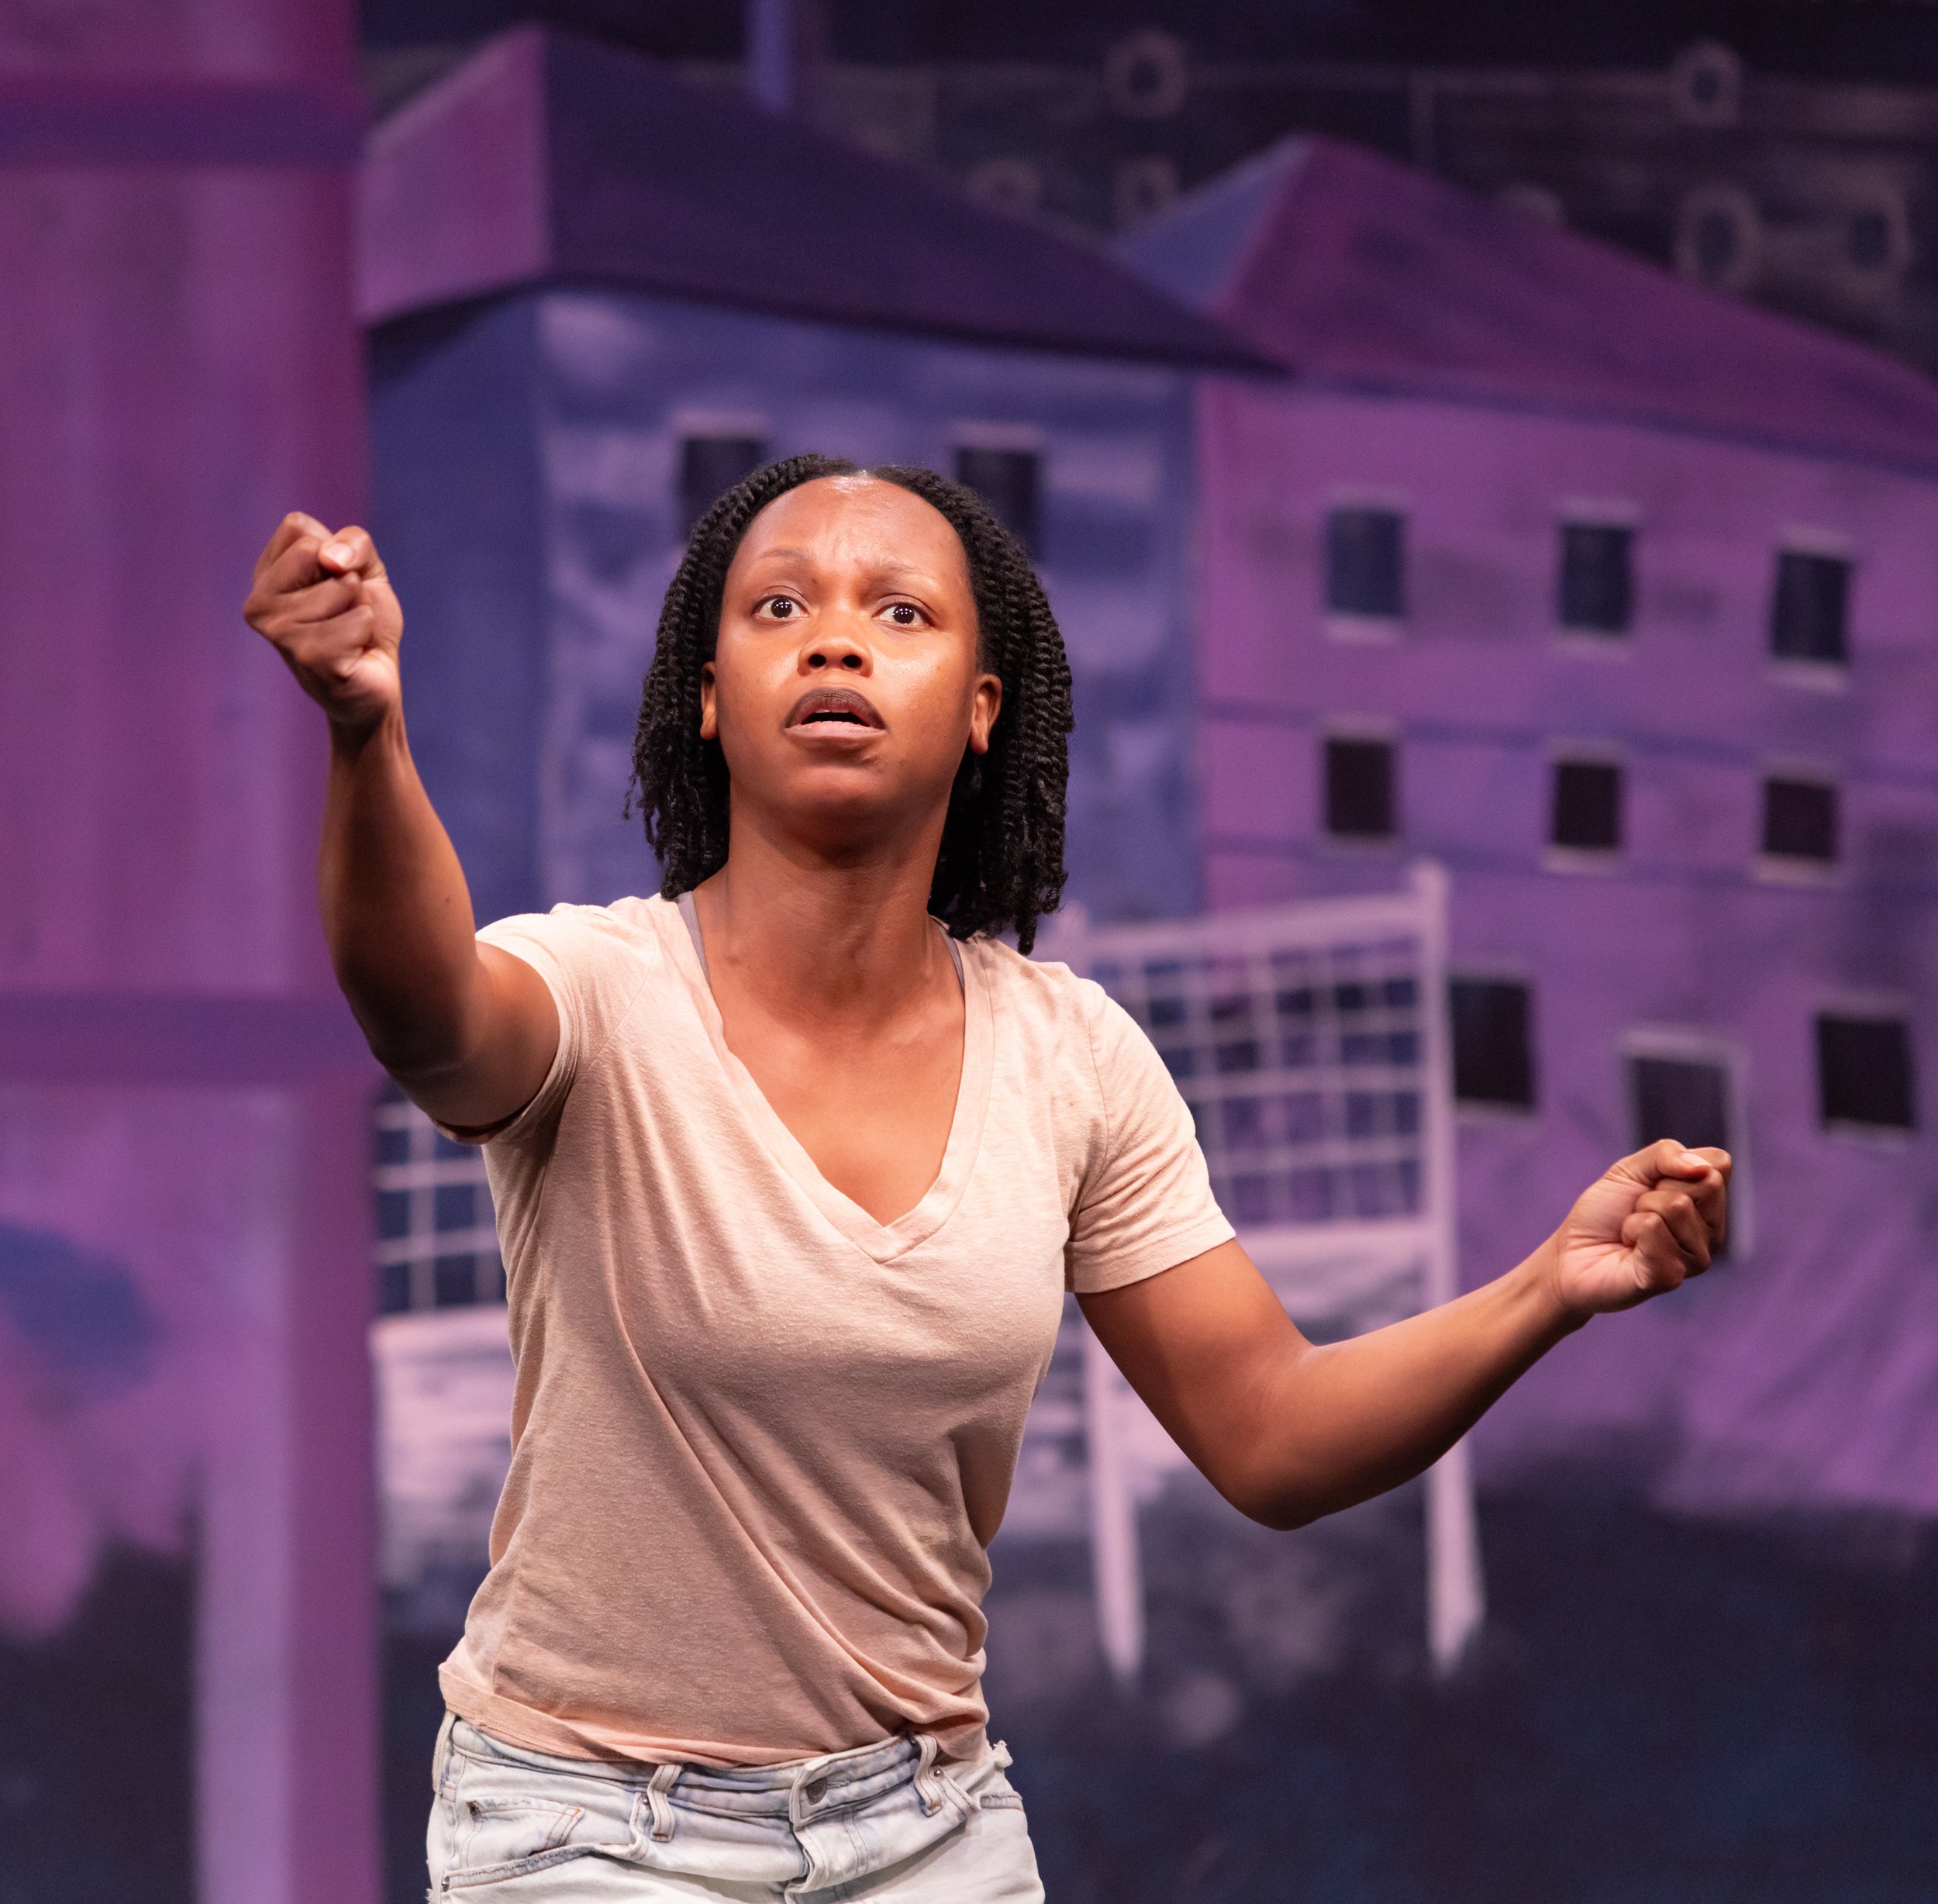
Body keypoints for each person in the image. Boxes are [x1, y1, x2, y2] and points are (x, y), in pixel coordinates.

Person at [243, 454, 1729, 1902]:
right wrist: (367, 736)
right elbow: (428, 1014)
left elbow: (1272, 1437)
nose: (835, 634)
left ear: (979, 708)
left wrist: (1550, 1288)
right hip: (586, 1827)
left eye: (901, 613)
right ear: (705, 702)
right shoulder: (597, 989)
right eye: (778, 609)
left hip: (926, 1829)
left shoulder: (1071, 1058)